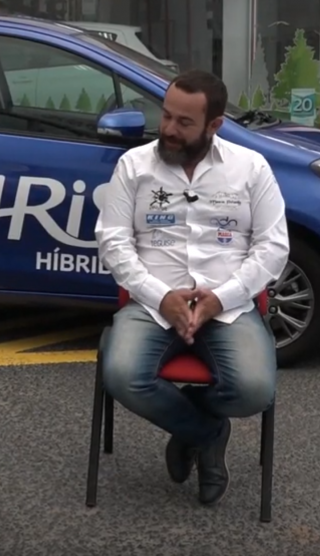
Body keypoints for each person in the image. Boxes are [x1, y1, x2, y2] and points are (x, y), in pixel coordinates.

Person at [93, 69, 288, 506]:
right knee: (122, 374)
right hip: (152, 303)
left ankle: (188, 428)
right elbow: (112, 241)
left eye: (184, 122)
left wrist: (222, 297)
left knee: (254, 390)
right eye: (166, 116)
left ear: (214, 125)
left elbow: (273, 247)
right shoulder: (134, 166)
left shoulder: (250, 168)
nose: (168, 129)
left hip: (227, 305)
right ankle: (206, 433)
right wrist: (160, 296)